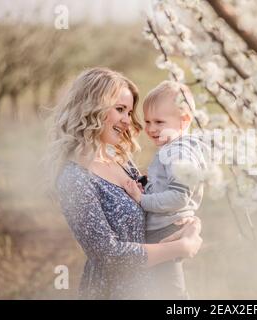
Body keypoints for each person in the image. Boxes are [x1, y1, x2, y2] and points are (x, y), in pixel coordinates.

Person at [46, 68, 202, 299]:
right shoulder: (75, 178)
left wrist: (190, 223)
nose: (127, 121)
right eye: (120, 109)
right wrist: (181, 247)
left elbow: (160, 199)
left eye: (129, 112)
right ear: (92, 108)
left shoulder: (120, 159)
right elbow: (109, 255)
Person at [123, 80, 208, 299]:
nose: (151, 129)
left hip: (165, 228)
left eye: (159, 122)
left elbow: (179, 196)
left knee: (169, 290)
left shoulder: (179, 153)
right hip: (166, 223)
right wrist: (148, 183)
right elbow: (169, 185)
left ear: (184, 120)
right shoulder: (176, 148)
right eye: (148, 121)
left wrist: (141, 199)